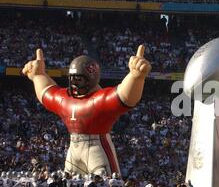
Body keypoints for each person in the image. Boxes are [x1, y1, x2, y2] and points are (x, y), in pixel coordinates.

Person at [22, 46, 151, 176]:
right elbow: (46, 93)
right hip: (73, 147)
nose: (74, 83)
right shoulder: (64, 99)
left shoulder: (98, 100)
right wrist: (38, 76)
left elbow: (124, 97)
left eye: (79, 79)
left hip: (97, 148)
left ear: (91, 78)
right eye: (72, 78)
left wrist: (135, 78)